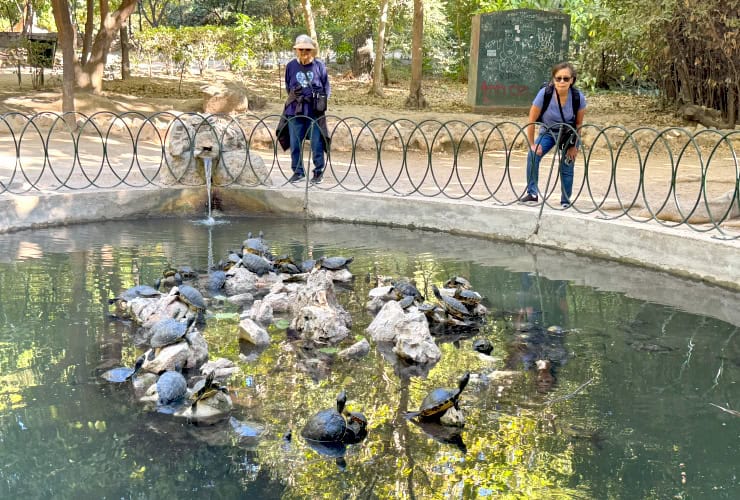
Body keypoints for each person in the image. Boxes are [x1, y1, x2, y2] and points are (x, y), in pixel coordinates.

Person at [520, 62, 587, 208]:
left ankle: (565, 201)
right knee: (532, 156)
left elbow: (578, 125)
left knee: (567, 164)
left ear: (572, 80)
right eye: (558, 78)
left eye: (566, 78)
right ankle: (532, 193)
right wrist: (532, 144)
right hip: (548, 132)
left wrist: (574, 146)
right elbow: (531, 120)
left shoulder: (578, 98)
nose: (562, 82)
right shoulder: (545, 93)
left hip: (568, 134)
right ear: (553, 79)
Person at [282, 34, 331, 184]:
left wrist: (321, 103)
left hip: (314, 111)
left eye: (307, 50)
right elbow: (287, 86)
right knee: (295, 143)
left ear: (312, 51)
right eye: (301, 49)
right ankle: (298, 172)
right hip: (295, 110)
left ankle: (318, 172)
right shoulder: (291, 66)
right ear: (296, 50)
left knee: (317, 143)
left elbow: (326, 87)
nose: (304, 52)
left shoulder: (319, 66)